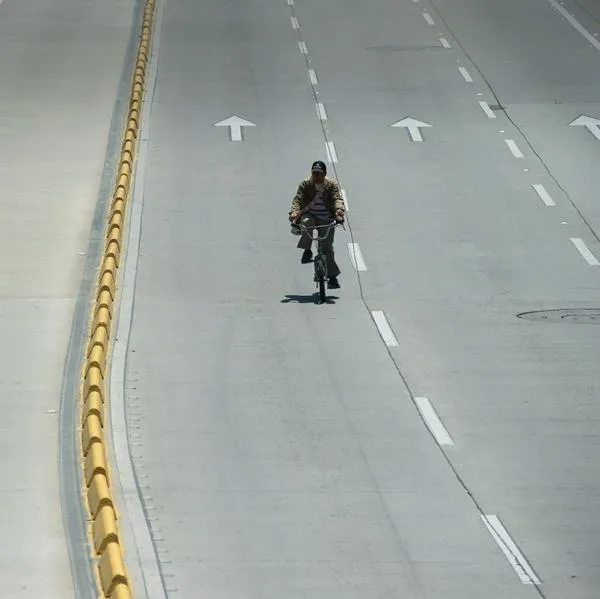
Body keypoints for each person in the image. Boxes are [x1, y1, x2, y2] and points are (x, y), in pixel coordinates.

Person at [289, 160, 345, 289]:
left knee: (327, 249)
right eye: (314, 173)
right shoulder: (305, 184)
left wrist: (339, 210)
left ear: (325, 174)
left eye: (319, 174)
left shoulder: (331, 185)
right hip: (310, 214)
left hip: (327, 218)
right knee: (306, 223)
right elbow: (298, 199)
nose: (316, 176)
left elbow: (337, 198)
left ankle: (332, 277)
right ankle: (307, 250)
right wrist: (295, 212)